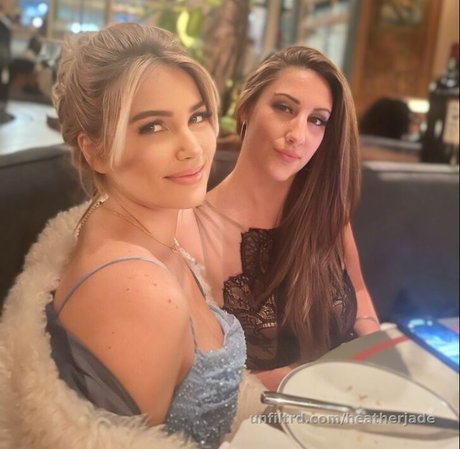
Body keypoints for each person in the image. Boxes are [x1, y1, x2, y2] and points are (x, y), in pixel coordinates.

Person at [0, 23, 264, 449]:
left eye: (197, 117)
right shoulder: (138, 288)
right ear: (96, 151)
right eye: (154, 127)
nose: (192, 147)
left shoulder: (139, 230)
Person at [177, 46, 380, 389]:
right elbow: (201, 375)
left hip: (354, 402)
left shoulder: (326, 212)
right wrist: (312, 384)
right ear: (245, 108)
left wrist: (377, 360)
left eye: (317, 120)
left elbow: (357, 290)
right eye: (284, 108)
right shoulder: (191, 227)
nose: (298, 135)